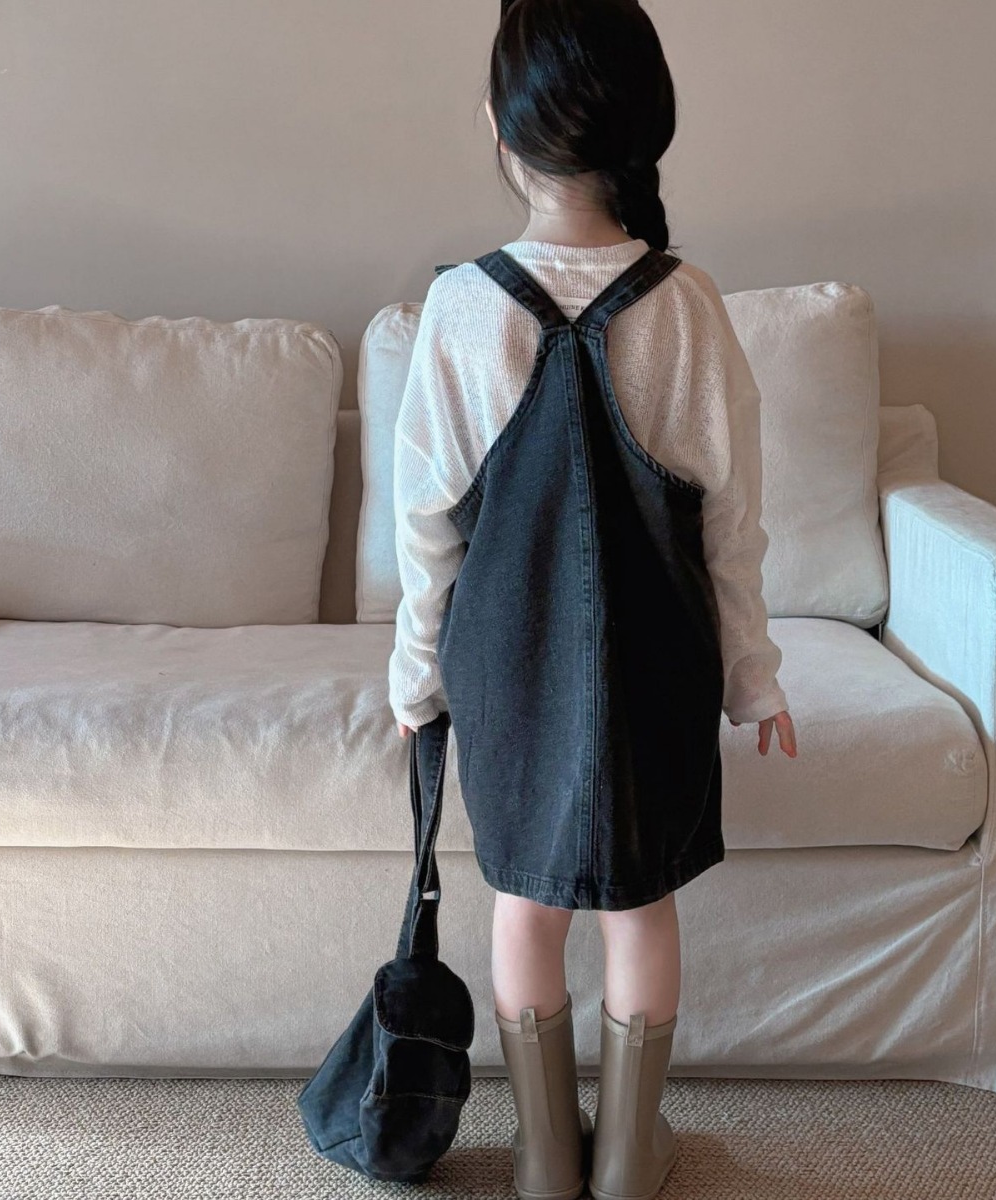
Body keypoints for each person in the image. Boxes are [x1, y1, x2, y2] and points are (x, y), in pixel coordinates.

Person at [388, 2, 799, 1197]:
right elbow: (730, 524)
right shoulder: (688, 301)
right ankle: (625, 1156)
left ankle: (545, 1156)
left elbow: (425, 530)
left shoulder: (462, 306)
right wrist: (752, 677)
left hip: (504, 666)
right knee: (640, 903)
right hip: (655, 665)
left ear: (501, 126)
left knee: (524, 901)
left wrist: (416, 680)